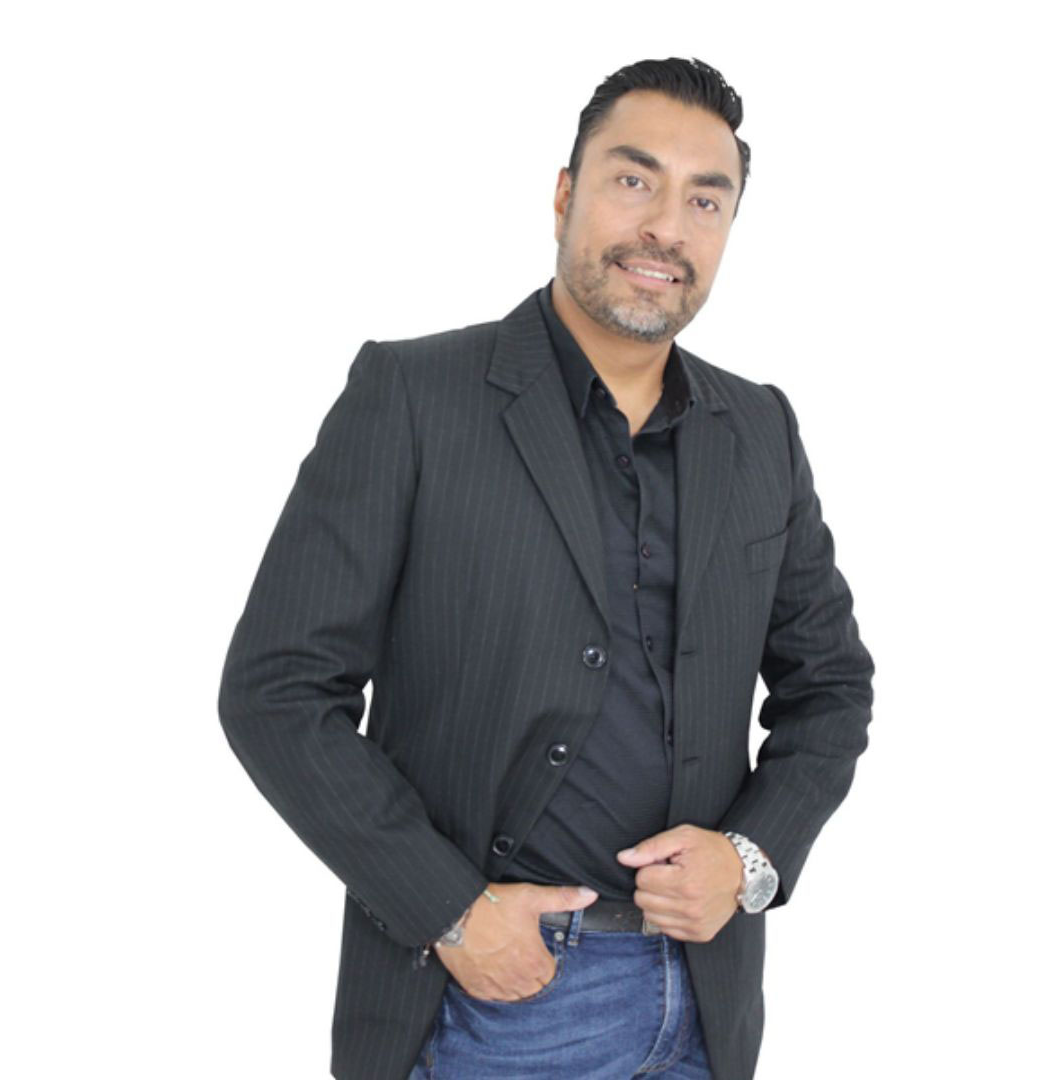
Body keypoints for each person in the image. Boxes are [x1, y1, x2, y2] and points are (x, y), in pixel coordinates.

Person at [218, 55, 875, 1080]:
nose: (666, 226)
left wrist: (749, 860)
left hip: (706, 1006)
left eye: (705, 200)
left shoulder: (759, 429)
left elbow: (829, 687)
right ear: (564, 195)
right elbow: (276, 690)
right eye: (633, 180)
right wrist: (447, 909)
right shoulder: (414, 396)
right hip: (488, 1002)